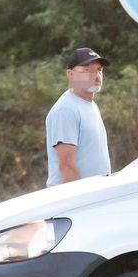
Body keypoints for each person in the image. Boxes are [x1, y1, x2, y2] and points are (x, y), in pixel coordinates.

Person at [46, 47, 111, 187]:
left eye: (99, 70)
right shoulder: (66, 109)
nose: (96, 75)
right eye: (86, 70)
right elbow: (67, 166)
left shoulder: (90, 106)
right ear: (71, 74)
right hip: (76, 201)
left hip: (95, 197)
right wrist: (81, 203)